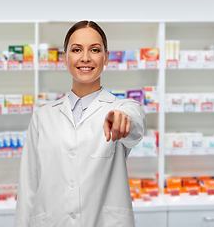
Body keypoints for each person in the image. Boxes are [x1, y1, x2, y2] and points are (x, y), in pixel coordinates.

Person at [14, 20, 145, 227]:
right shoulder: (42, 117)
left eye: (94, 49)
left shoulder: (122, 107)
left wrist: (123, 120)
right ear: (65, 58)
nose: (85, 57)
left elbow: (134, 127)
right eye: (76, 50)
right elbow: (28, 187)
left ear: (106, 57)